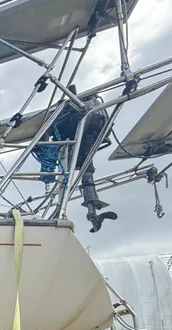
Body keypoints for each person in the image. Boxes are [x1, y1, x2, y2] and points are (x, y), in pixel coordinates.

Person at [52, 85, 118, 232]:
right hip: (83, 139)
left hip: (80, 140)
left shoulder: (73, 116)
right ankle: (88, 207)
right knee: (82, 164)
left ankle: (70, 209)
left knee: (80, 165)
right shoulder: (91, 116)